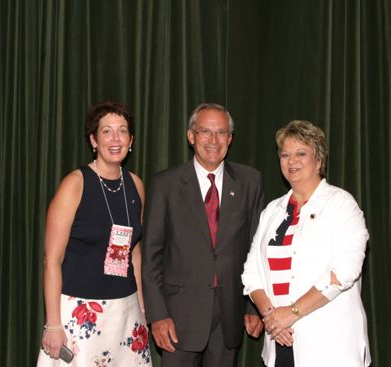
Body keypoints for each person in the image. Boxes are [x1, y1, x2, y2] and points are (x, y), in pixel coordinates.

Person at [141, 103, 265, 367]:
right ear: (191, 136)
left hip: (229, 319)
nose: (213, 140)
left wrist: (254, 307)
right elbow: (151, 256)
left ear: (230, 139)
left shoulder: (250, 181)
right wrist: (158, 315)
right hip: (177, 318)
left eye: (221, 133)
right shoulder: (165, 184)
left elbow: (258, 249)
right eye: (205, 132)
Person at [241, 120, 371, 367]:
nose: (292, 161)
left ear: (319, 161)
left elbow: (343, 272)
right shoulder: (272, 211)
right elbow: (251, 273)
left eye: (301, 154)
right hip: (280, 342)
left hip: (330, 345)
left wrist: (291, 313)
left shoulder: (342, 204)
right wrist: (272, 318)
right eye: (285, 154)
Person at [37, 101, 151, 366]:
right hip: (81, 314)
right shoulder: (74, 184)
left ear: (131, 140)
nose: (115, 138)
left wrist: (143, 309)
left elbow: (135, 253)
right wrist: (53, 325)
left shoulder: (136, 185)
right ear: (93, 140)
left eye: (122, 131)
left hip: (126, 313)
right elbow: (51, 260)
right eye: (107, 131)